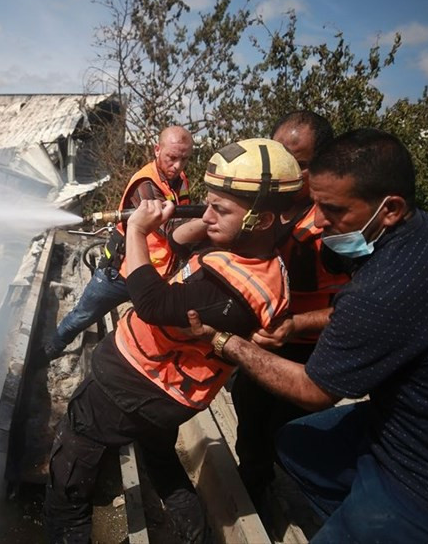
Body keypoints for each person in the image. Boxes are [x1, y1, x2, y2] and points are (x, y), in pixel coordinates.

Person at [188, 128, 428, 543]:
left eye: (334, 209)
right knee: (296, 445)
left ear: (390, 208)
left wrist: (224, 341)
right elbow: (361, 312)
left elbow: (314, 390)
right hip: (412, 430)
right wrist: (296, 324)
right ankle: (362, 511)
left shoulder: (389, 283)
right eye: (316, 202)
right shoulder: (421, 234)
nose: (320, 221)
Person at [44, 138, 303, 543]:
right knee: (160, 457)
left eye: (220, 208)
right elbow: (180, 241)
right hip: (168, 392)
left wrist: (135, 229)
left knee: (72, 460)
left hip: (135, 384)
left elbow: (149, 302)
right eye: (207, 203)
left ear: (263, 219)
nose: (207, 214)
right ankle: (193, 534)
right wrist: (203, 217)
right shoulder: (250, 252)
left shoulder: (231, 286)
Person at [230, 111, 350, 511]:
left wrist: (297, 323)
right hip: (262, 345)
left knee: (286, 435)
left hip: (308, 354)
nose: (287, 171)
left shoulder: (336, 225)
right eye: (280, 157)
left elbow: (360, 308)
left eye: (299, 164)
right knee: (250, 422)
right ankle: (255, 489)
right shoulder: (265, 206)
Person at [43, 125, 193, 360]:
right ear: (157, 150)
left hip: (152, 275)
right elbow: (172, 231)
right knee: (83, 315)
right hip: (120, 273)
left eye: (184, 159)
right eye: (172, 158)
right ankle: (51, 349)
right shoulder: (145, 184)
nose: (178, 166)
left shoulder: (180, 179)